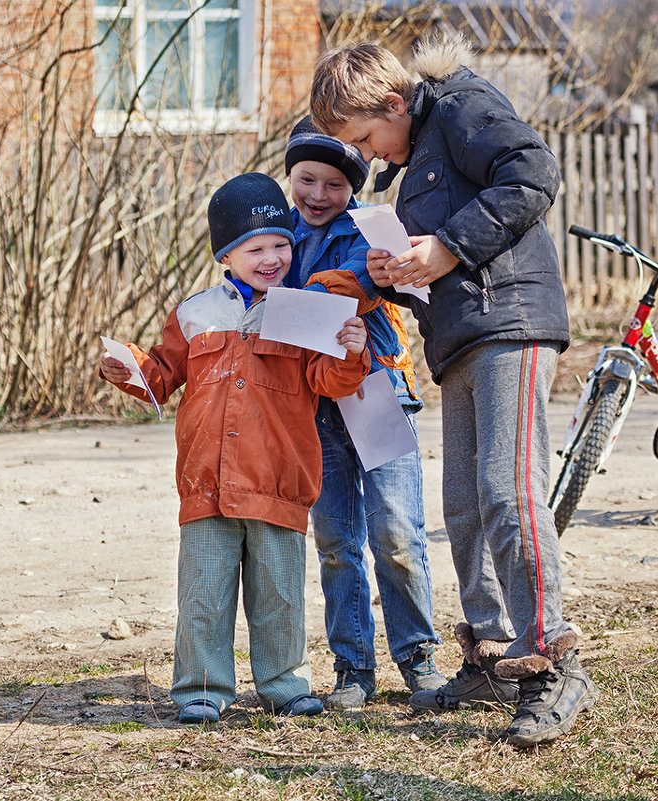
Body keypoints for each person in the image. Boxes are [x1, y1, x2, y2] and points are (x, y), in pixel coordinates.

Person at [309, 35, 598, 747]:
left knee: (508, 490)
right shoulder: (412, 173)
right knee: (464, 504)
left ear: (394, 102)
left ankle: (553, 664)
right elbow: (438, 267)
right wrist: (394, 271)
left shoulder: (462, 104)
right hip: (459, 342)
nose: (369, 154)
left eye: (366, 136)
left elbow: (532, 173)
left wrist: (443, 247)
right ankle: (495, 657)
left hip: (515, 325)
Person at [98, 172, 370, 724]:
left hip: (279, 482)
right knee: (203, 597)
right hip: (206, 484)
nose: (271, 258)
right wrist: (125, 369)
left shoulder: (305, 311)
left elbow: (331, 381)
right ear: (226, 256)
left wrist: (349, 349)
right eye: (255, 248)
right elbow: (160, 375)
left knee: (280, 597)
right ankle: (202, 688)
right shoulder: (194, 314)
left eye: (280, 245)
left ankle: (283, 684)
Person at [282, 116, 444, 711]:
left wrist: (315, 296)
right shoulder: (279, 239)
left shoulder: (366, 231)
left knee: (397, 532)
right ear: (290, 177)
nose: (318, 195)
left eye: (333, 184)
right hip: (315, 408)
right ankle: (353, 667)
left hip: (377, 391)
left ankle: (418, 655)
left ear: (353, 188)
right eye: (307, 180)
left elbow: (361, 281)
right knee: (334, 540)